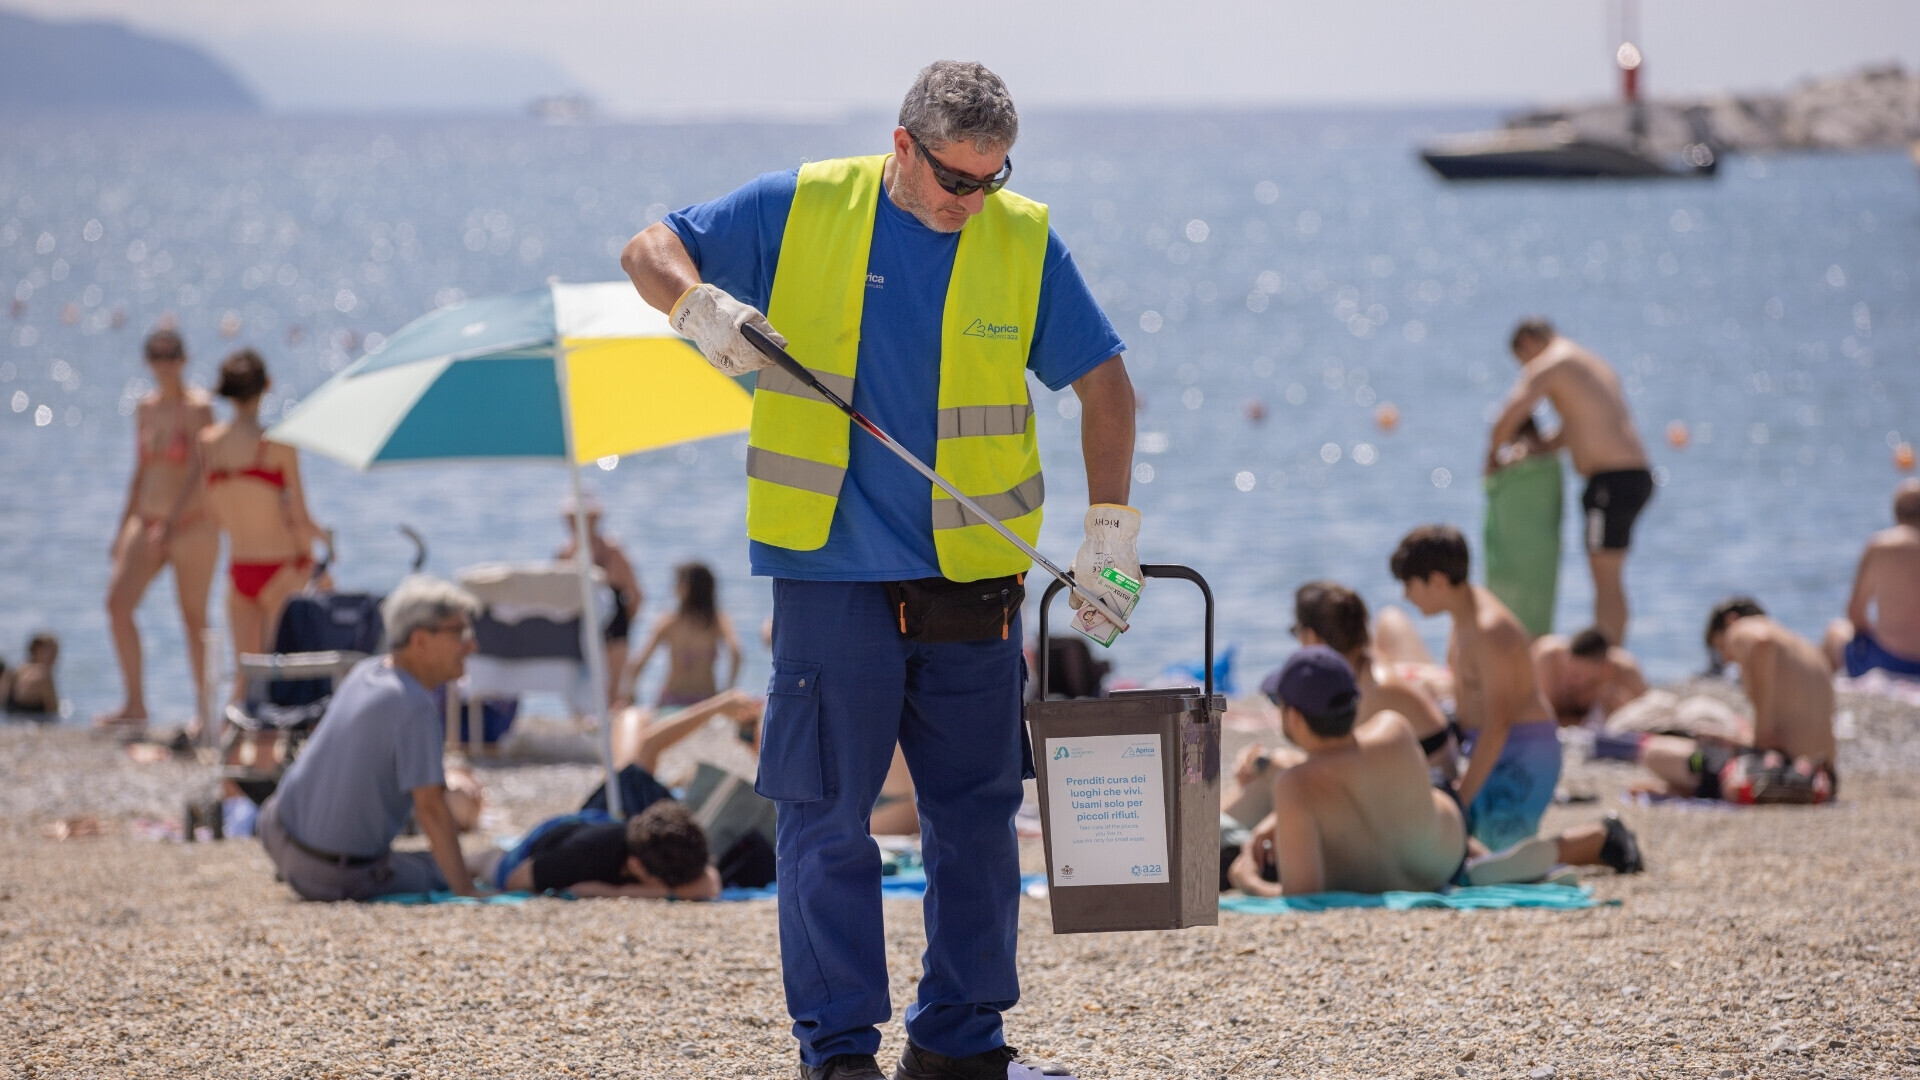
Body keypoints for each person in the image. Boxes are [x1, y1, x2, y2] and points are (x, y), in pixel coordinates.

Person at [621, 59, 1133, 1080]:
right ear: (904, 146)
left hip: (975, 581)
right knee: (825, 823)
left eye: (992, 177)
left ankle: (961, 1047)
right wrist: (699, 309)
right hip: (832, 578)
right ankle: (839, 1053)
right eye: (955, 179)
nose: (971, 200)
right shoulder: (804, 205)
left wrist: (1109, 535)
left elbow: (1108, 387)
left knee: (978, 826)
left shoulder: (1023, 237)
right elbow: (647, 249)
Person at [1227, 648, 1640, 898]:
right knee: (1414, 800)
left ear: (1296, 718)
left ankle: (1494, 867)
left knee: (1348, 818)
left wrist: (1245, 876)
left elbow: (1304, 896)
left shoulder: (1295, 785)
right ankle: (1492, 863)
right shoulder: (1392, 728)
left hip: (1389, 872)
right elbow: (1347, 766)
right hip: (1444, 847)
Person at [256, 577, 483, 901]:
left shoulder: (367, 671)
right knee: (448, 868)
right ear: (420, 640)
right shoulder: (415, 705)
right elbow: (431, 810)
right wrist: (466, 890)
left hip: (275, 833)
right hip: (332, 874)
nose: (471, 645)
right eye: (459, 633)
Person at [1390, 525, 1561, 853]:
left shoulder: (1488, 630)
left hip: (1521, 754)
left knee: (1494, 852)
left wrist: (1461, 798)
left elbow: (1499, 723)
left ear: (1437, 581)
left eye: (1409, 585)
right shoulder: (1464, 613)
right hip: (1487, 747)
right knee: (1457, 845)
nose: (1406, 596)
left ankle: (1598, 839)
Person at [1486, 319, 1651, 647]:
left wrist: (1492, 457)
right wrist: (1541, 448)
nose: (1526, 368)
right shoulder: (1590, 362)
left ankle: (1607, 658)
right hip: (1631, 475)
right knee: (1610, 577)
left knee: (1606, 579)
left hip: (1611, 480)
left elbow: (1510, 413)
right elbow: (1578, 426)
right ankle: (1611, 652)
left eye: (1523, 361)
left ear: (1528, 341)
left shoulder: (1553, 361)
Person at [1596, 598, 1837, 803]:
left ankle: (1694, 783)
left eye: (1720, 648)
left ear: (1731, 621)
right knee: (1707, 752)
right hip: (1824, 774)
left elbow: (1762, 642)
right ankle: (1688, 787)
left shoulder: (1744, 628)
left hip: (1778, 768)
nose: (1726, 659)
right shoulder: (1804, 647)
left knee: (1655, 751)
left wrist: (1761, 730)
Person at [99, 328, 218, 731]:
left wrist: (168, 525)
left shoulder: (199, 407)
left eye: (171, 355)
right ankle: (135, 703)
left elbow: (201, 471)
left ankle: (205, 713)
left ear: (184, 359)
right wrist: (122, 528)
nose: (164, 364)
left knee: (193, 619)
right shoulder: (145, 408)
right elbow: (141, 471)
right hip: (146, 519)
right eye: (156, 355)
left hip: (191, 526)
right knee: (117, 604)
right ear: (147, 361)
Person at [200, 349, 327, 716]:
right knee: (275, 681)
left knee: (244, 678)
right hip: (282, 567)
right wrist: (320, 547)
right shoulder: (277, 443)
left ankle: (229, 740)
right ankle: (266, 747)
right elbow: (300, 516)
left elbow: (214, 514)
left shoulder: (209, 442)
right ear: (267, 385)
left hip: (239, 567)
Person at [479, 799, 721, 900]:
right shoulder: (582, 856)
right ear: (636, 866)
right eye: (665, 883)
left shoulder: (666, 851)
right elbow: (514, 881)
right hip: (547, 840)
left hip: (598, 825)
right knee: (491, 865)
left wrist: (618, 892)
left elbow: (710, 882)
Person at [1824, 479, 1920, 679]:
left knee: (1835, 632)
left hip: (1890, 660)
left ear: (1896, 513)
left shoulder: (1881, 546)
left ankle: (1823, 694)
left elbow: (1855, 613)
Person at [556, 493, 644, 705]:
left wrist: (622, 624)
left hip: (612, 631)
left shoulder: (612, 551)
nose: (572, 522)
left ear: (594, 518)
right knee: (577, 698)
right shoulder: (564, 552)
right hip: (577, 632)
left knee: (612, 695)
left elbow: (636, 595)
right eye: (569, 517)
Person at [616, 562, 741, 710]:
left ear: (686, 588)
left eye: (678, 582)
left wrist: (630, 695)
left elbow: (638, 663)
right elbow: (736, 653)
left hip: (672, 700)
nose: (674, 588)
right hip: (706, 701)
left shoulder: (670, 622)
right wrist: (727, 691)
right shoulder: (717, 621)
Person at [1482, 417, 1563, 639]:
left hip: (1522, 548)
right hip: (1526, 548)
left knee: (1522, 612)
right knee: (1527, 611)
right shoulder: (1546, 458)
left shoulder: (1537, 459)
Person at [1533, 627, 1648, 727]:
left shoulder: (1625, 675)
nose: (1572, 682)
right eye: (1570, 675)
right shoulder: (1548, 665)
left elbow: (1647, 722)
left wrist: (1624, 712)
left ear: (1605, 670)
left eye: (1578, 677)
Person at [1, 632, 59, 716]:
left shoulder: (16, 670)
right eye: (52, 651)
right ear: (36, 651)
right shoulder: (43, 675)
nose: (55, 656)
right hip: (32, 721)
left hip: (10, 720)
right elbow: (53, 711)